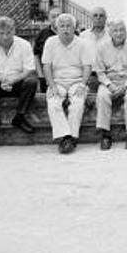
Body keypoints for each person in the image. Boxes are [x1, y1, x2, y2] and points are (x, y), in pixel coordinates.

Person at [0, 17, 38, 141]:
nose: (5, 36)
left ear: (14, 30)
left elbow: (29, 69)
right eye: (1, 33)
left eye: (8, 32)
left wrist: (13, 80)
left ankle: (19, 117)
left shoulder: (24, 44)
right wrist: (0, 78)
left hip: (17, 81)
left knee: (32, 82)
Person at [42, 13, 92, 154]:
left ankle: (69, 139)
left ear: (74, 28)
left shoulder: (82, 43)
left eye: (69, 26)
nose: (65, 29)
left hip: (77, 81)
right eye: (62, 26)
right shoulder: (50, 42)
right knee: (53, 102)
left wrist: (83, 85)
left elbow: (87, 66)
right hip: (57, 81)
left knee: (77, 102)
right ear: (56, 28)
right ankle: (66, 137)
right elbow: (46, 66)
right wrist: (51, 85)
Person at [95, 20, 127, 151]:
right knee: (102, 95)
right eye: (115, 30)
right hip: (109, 80)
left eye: (122, 30)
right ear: (110, 32)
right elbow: (100, 71)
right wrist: (109, 85)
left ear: (125, 31)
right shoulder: (101, 47)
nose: (119, 33)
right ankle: (105, 134)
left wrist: (125, 85)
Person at [33, 6, 61, 92]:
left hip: (65, 76)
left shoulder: (71, 34)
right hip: (46, 76)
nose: (56, 19)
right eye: (53, 16)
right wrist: (41, 76)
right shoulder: (42, 34)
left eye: (58, 16)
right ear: (49, 18)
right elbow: (36, 55)